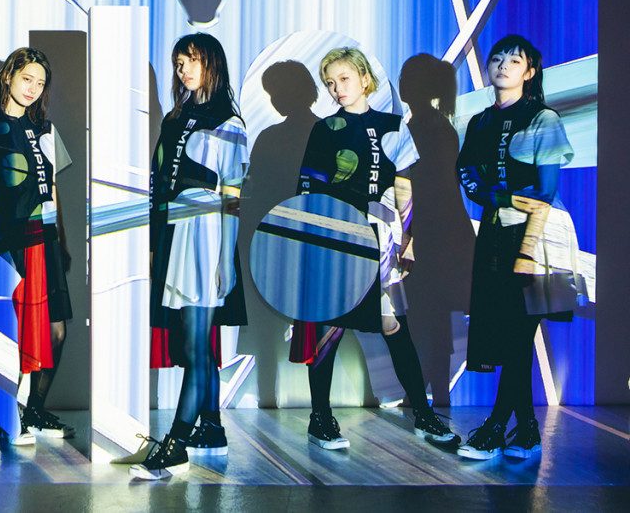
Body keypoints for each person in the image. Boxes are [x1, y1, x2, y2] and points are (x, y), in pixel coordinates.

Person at [289, 47, 456, 449]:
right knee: (329, 329)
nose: (337, 88)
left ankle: (423, 414)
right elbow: (307, 191)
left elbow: (404, 185)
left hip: (381, 238)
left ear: (365, 79)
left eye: (344, 78)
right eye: (330, 82)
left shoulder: (393, 125)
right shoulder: (324, 129)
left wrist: (409, 239)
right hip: (337, 239)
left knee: (394, 326)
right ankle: (320, 418)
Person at [455, 35, 583, 460]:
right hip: (495, 232)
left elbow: (545, 191)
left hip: (539, 235)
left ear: (529, 72)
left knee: (518, 330)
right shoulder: (479, 122)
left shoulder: (543, 118)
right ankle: (527, 431)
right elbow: (467, 174)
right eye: (497, 58)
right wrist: (493, 196)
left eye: (514, 60)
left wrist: (507, 209)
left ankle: (495, 427)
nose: (502, 65)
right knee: (509, 332)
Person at [130, 33, 248, 481]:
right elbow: (159, 180)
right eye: (179, 63)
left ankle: (176, 444)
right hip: (174, 231)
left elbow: (232, 197)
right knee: (192, 338)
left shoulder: (229, 122)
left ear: (211, 63)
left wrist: (225, 259)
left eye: (192, 61)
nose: (184, 70)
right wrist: (153, 241)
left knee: (198, 342)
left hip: (206, 234)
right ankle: (211, 427)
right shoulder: (175, 117)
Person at [0, 47, 75, 445]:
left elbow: (53, 190)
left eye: (40, 83)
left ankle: (35, 409)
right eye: (27, 78)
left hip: (46, 241)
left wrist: (62, 240)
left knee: (57, 331)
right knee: (16, 331)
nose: (32, 88)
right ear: (9, 77)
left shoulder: (47, 130)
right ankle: (11, 416)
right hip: (10, 245)